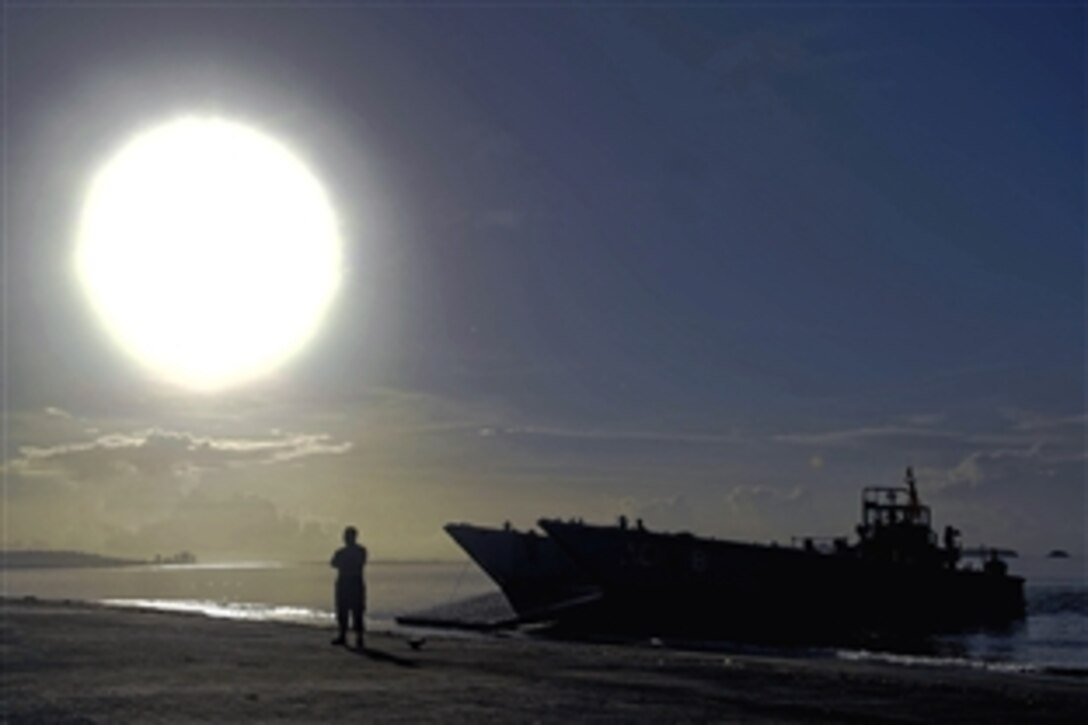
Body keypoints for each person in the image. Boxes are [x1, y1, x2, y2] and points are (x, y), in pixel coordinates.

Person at [330, 525, 367, 649]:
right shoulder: (358, 551)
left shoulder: (350, 552)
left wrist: (345, 564)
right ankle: (347, 636)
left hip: (350, 581)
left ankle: (355, 637)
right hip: (349, 582)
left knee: (355, 611)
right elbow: (333, 563)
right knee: (345, 610)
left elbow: (335, 563)